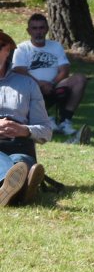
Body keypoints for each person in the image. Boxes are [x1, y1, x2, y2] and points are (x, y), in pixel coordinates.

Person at [12, 13, 87, 136]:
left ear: (47, 29)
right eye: (34, 28)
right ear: (28, 31)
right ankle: (47, 118)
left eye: (41, 28)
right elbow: (20, 70)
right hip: (31, 86)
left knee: (80, 79)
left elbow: (65, 68)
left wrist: (51, 83)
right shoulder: (22, 48)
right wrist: (40, 84)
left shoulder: (56, 46)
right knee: (26, 84)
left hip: (55, 84)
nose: (38, 32)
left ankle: (65, 120)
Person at [0, 30, 51, 207]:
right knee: (17, 167)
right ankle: (20, 188)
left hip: (18, 144)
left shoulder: (27, 84)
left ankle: (12, 187)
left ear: (8, 50)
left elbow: (46, 130)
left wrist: (25, 130)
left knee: (22, 161)